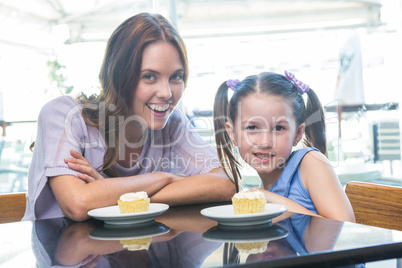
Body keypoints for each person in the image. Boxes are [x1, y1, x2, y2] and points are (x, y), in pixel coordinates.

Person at [23, 12, 235, 222]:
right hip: (68, 251)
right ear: (118, 76)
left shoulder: (172, 123)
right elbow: (78, 204)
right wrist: (164, 178)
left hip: (139, 247)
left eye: (176, 77)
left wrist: (111, 193)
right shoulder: (64, 114)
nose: (167, 93)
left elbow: (226, 183)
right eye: (149, 76)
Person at [213, 71, 355, 222]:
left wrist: (269, 199)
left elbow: (345, 226)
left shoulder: (311, 163)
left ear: (298, 133)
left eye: (279, 128)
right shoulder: (261, 190)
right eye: (252, 128)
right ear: (232, 133)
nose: (265, 142)